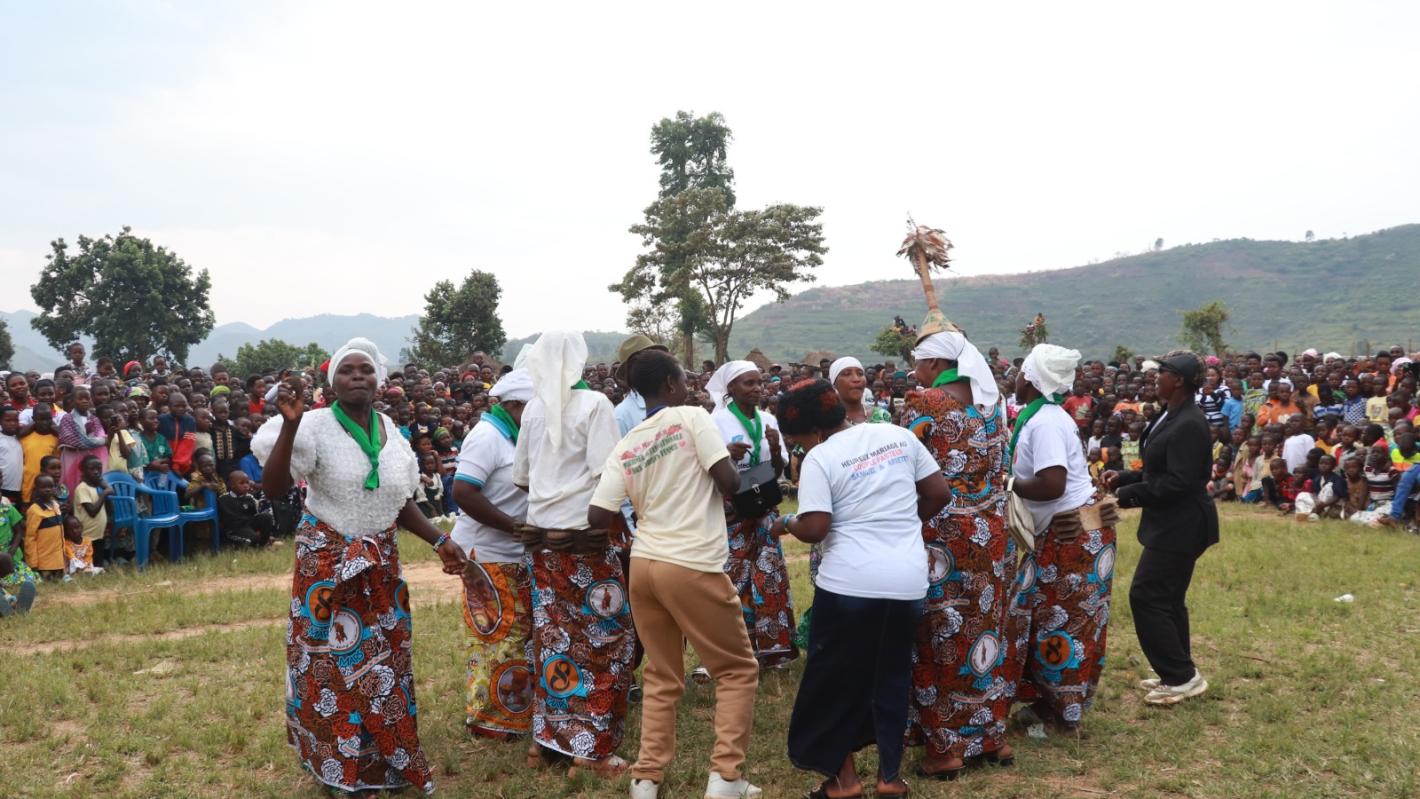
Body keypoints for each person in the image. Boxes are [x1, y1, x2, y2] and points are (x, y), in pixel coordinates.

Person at [253, 337, 466, 795]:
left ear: (378, 380)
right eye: (347, 370)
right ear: (333, 382)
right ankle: (337, 767)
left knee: (385, 662)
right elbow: (272, 487)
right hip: (327, 567)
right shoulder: (312, 425)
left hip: (381, 568)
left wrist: (440, 540)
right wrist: (289, 428)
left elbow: (399, 500)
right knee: (331, 666)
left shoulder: (391, 430)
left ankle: (384, 762)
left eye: (365, 370)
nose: (357, 377)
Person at [586, 350, 762, 799]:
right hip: (691, 563)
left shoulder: (628, 443)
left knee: (663, 676)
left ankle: (647, 780)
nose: (690, 387)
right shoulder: (690, 417)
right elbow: (730, 481)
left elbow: (597, 513)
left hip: (644, 564)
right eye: (683, 380)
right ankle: (726, 779)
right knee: (737, 670)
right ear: (669, 384)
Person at [773, 379, 949, 799]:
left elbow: (816, 527)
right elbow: (939, 493)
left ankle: (843, 783)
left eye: (797, 441)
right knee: (889, 678)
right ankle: (889, 779)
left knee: (833, 684)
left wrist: (787, 522)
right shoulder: (898, 436)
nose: (798, 449)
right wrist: (903, 527)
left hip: (849, 586)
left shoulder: (821, 457)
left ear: (814, 432)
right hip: (906, 583)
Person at [511, 331, 634, 778]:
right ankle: (590, 751)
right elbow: (609, 472)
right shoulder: (596, 405)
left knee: (551, 637)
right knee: (603, 639)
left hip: (542, 543)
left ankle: (544, 743)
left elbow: (521, 477)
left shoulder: (533, 409)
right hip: (586, 541)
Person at [902, 329, 1016, 778]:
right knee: (986, 625)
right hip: (993, 532)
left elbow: (902, 460)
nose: (915, 372)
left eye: (918, 364)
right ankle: (991, 736)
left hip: (942, 533)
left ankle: (944, 748)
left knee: (939, 631)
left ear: (932, 365)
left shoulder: (925, 402)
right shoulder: (993, 403)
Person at [1006, 344, 1117, 734]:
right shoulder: (1043, 417)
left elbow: (1051, 484)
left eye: (1021, 371)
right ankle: (1047, 702)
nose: (1015, 377)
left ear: (1034, 379)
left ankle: (1061, 715)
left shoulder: (1046, 423)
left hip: (1071, 537)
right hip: (1067, 533)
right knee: (1044, 616)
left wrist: (1006, 484)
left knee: (1063, 623)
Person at [1103, 351, 1218, 706]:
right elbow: (1159, 472)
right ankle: (1179, 672)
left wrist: (1128, 495)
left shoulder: (1189, 423)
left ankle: (1181, 676)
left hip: (1182, 524)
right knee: (1167, 599)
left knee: (1147, 595)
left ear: (1179, 379)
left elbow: (1179, 482)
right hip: (1172, 522)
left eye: (1162, 373)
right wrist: (1125, 476)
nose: (1155, 378)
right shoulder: (1171, 416)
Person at [449, 368, 533, 742]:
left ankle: (513, 711)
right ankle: (490, 720)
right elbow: (464, 492)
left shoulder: (515, 434)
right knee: (495, 636)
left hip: (513, 550)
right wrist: (511, 526)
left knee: (515, 635)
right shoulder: (487, 436)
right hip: (486, 551)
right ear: (514, 404)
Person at [706, 361, 797, 670]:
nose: (758, 388)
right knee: (732, 582)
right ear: (731, 388)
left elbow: (777, 470)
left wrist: (774, 448)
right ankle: (731, 653)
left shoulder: (768, 419)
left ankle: (774, 650)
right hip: (731, 511)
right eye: (748, 383)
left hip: (763, 509)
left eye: (759, 382)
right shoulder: (714, 422)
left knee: (768, 576)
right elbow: (707, 469)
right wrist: (726, 456)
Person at [56, 386, 107, 499]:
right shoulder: (67, 419)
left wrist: (91, 441)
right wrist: (90, 441)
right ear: (73, 401)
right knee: (73, 483)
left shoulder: (94, 419)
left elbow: (102, 437)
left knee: (92, 485)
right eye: (80, 398)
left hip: (92, 458)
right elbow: (68, 438)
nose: (84, 401)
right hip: (73, 458)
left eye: (87, 398)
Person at [216, 470, 276, 547]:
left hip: (248, 525)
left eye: (247, 482)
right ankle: (255, 540)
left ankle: (263, 543)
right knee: (251, 539)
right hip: (235, 530)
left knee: (266, 517)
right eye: (242, 483)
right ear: (232, 485)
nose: (246, 486)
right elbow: (228, 521)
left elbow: (254, 515)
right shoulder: (223, 500)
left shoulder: (249, 498)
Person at [24, 475, 65, 580]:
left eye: (51, 486)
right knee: (47, 583)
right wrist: (33, 563)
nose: (48, 490)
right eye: (43, 487)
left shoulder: (56, 505)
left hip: (59, 562)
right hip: (43, 563)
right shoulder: (34, 510)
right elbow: (30, 538)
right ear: (36, 489)